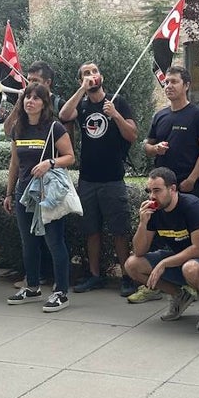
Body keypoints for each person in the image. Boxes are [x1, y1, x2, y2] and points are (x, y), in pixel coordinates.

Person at [59, 61, 138, 297]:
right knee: (90, 230)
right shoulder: (81, 106)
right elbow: (64, 115)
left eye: (94, 72)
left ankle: (128, 276)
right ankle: (95, 275)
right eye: (86, 73)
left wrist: (115, 115)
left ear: (101, 76)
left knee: (119, 230)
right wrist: (82, 90)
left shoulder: (117, 102)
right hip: (88, 179)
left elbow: (132, 135)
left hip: (113, 178)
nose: (91, 76)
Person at [124, 167, 199, 331]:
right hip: (182, 259)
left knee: (191, 268)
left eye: (157, 190)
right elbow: (139, 251)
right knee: (132, 264)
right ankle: (179, 295)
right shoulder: (155, 210)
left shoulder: (192, 206)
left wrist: (164, 263)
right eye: (149, 191)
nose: (152, 196)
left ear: (172, 189)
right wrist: (142, 223)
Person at [4, 83, 77, 312]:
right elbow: (15, 162)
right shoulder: (19, 128)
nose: (30, 101)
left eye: (36, 98)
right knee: (29, 243)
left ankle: (61, 292)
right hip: (24, 194)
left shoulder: (54, 128)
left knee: (54, 242)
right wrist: (9, 192)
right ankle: (33, 287)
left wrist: (50, 163)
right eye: (27, 97)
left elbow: (70, 157)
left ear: (44, 104)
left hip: (48, 195)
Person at [146, 65, 199, 206]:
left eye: (174, 82)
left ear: (186, 85)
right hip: (162, 188)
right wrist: (155, 148)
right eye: (166, 82)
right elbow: (147, 146)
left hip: (187, 185)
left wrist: (191, 180)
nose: (169, 86)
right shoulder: (159, 116)